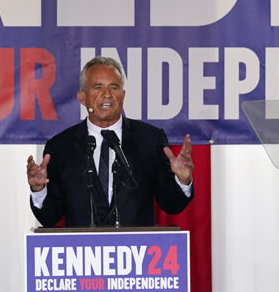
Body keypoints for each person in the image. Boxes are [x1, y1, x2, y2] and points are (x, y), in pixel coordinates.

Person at [27, 56, 194, 227]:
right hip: (82, 251)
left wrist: (182, 180)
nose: (106, 94)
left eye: (114, 87)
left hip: (137, 250)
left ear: (122, 95)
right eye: (97, 87)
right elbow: (49, 217)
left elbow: (172, 204)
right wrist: (39, 190)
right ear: (82, 97)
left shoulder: (150, 140)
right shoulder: (60, 147)